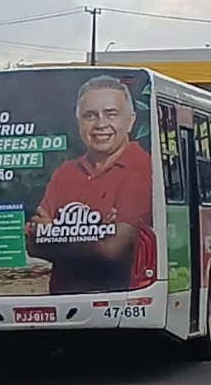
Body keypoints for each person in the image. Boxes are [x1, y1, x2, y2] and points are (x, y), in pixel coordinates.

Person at [26, 76, 154, 294]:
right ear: (79, 123)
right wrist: (95, 234)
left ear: (130, 121)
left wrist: (54, 231)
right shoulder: (65, 173)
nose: (100, 124)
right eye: (90, 116)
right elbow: (33, 246)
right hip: (62, 300)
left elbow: (112, 250)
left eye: (111, 114)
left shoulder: (143, 168)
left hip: (119, 297)